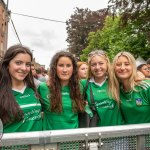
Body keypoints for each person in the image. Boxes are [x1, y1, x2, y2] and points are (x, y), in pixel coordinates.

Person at [0, 44, 42, 133]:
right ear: (7, 65)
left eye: (28, 64)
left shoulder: (36, 88)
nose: (24, 68)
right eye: (18, 63)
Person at [38, 51, 84, 130]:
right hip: (51, 140)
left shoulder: (79, 87)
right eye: (61, 65)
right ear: (54, 67)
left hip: (73, 139)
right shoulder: (43, 88)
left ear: (74, 68)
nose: (65, 70)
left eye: (68, 65)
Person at [80, 50, 124, 126]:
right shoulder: (84, 84)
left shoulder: (115, 80)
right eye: (93, 64)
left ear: (107, 64)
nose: (97, 67)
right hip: (98, 133)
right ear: (90, 67)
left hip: (119, 133)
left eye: (101, 63)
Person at [111, 51, 150, 124]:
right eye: (118, 65)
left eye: (127, 64)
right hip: (129, 134)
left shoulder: (146, 87)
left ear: (133, 67)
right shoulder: (116, 90)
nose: (122, 68)